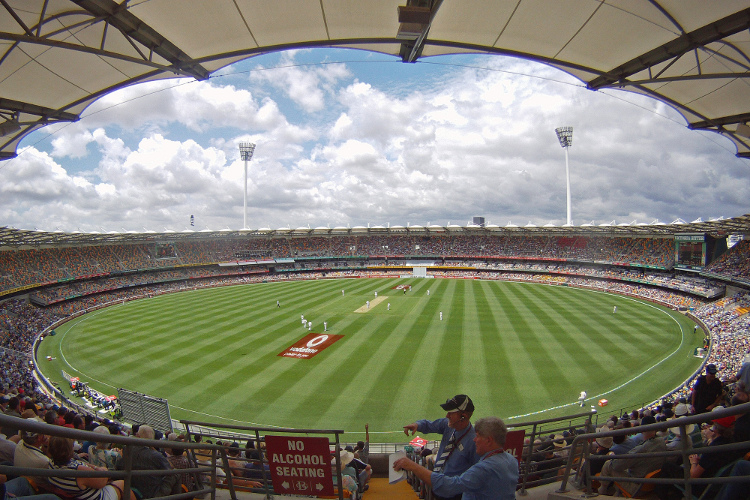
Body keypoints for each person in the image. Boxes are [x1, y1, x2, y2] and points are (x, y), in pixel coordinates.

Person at [394, 416, 517, 500]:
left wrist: (412, 466)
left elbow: (449, 486)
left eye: (478, 436)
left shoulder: (485, 469)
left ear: (489, 440)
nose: (475, 439)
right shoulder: (511, 460)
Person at [403, 395, 478, 484]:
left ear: (463, 416)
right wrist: (417, 425)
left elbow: (475, 474)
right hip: (437, 482)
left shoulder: (474, 442)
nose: (447, 415)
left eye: (451, 413)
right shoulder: (448, 425)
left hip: (453, 492)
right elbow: (429, 425)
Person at [598, 415, 666, 496]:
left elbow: (616, 465)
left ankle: (602, 491)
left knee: (608, 464)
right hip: (651, 484)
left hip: (638, 487)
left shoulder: (642, 449)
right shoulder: (662, 441)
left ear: (642, 429)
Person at [47, 435, 132, 500]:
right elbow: (102, 482)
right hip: (97, 496)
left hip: (78, 493)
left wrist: (94, 467)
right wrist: (104, 470)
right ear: (69, 450)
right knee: (123, 483)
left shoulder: (51, 463)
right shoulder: (78, 471)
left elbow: (79, 464)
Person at [114, 425, 179, 499]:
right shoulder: (155, 455)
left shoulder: (127, 449)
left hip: (131, 488)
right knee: (175, 473)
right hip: (151, 493)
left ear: (138, 436)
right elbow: (171, 468)